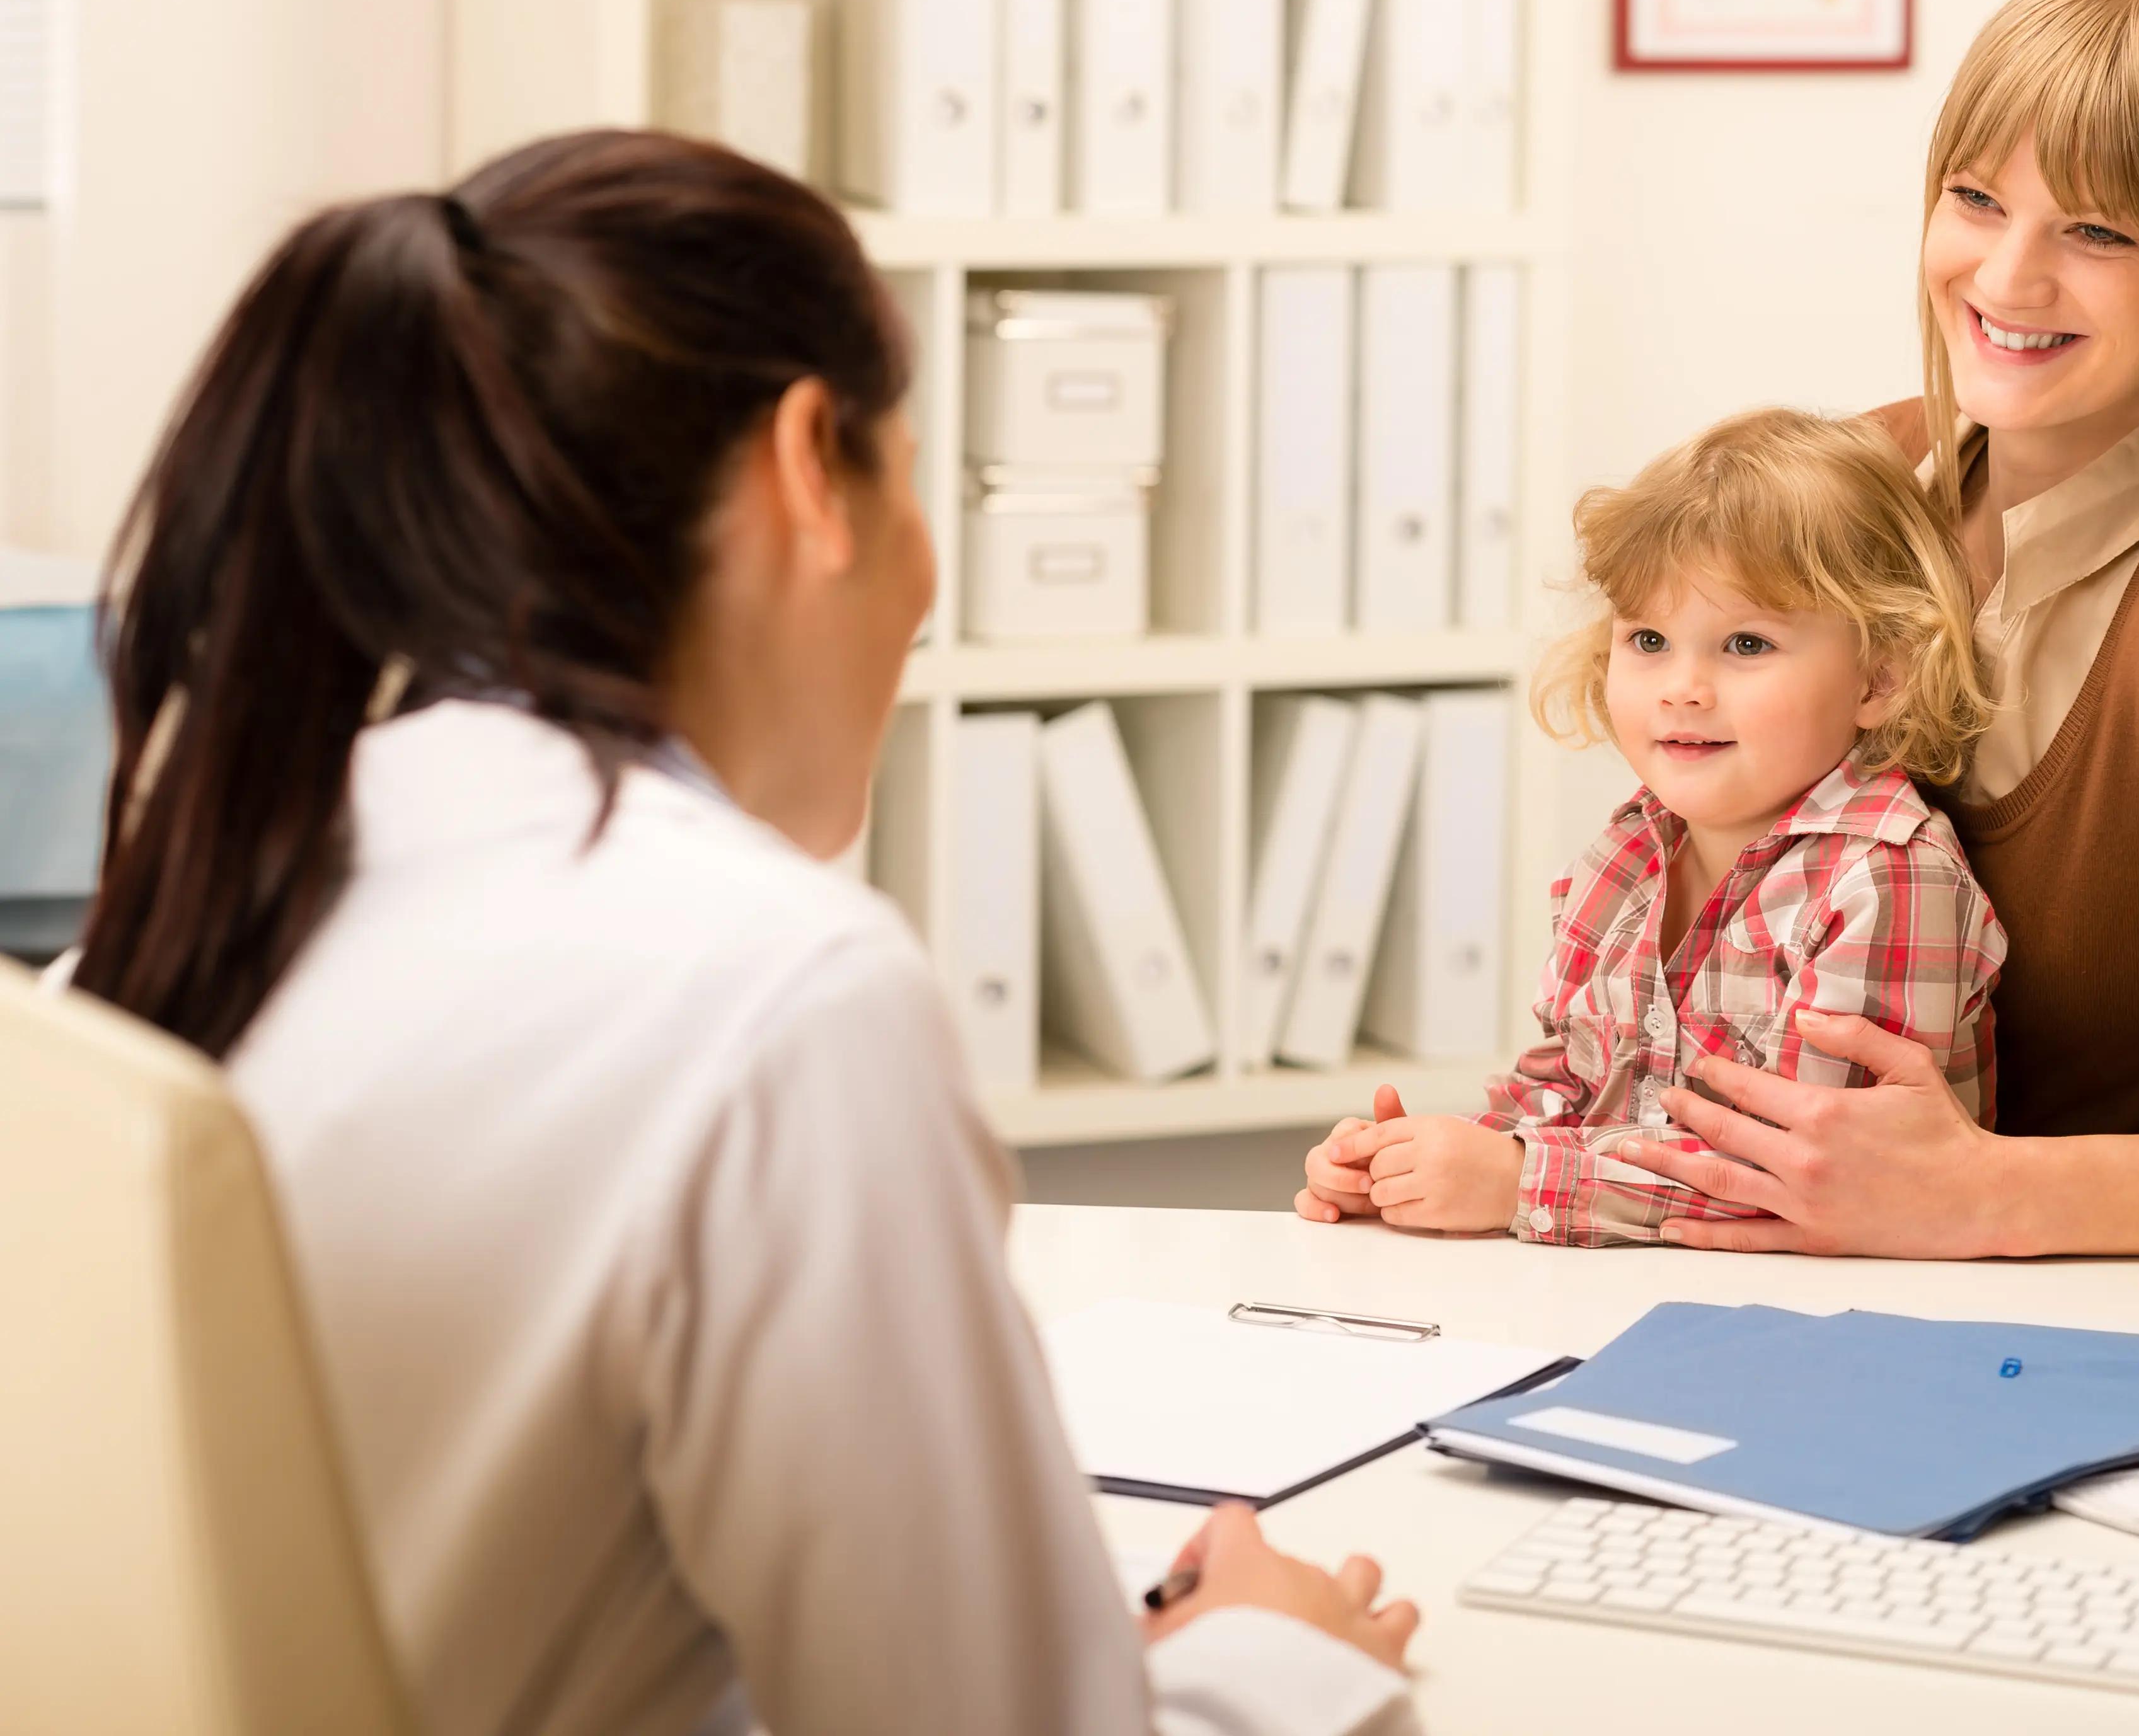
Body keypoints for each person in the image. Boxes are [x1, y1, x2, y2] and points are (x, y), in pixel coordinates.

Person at [68, 130, 1423, 1736]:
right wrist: (1272, 1660)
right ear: (807, 466)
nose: (927, 581)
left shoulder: (225, 888)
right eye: (912, 474)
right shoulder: (775, 992)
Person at [1624, 0, 2139, 1260]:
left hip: (2108, 1343)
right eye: (1975, 199)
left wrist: (1988, 1191)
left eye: (2098, 230)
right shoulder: (1853, 485)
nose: (2007, 277)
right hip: (1777, 1279)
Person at [1295, 408, 2004, 1246]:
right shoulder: (1628, 854)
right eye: (1649, 639)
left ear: (1879, 677)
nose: (1684, 687)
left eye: (1746, 643)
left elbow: (1815, 1176)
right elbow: (1565, 1087)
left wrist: (1523, 1181)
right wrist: (1419, 1165)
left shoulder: (1885, 879)